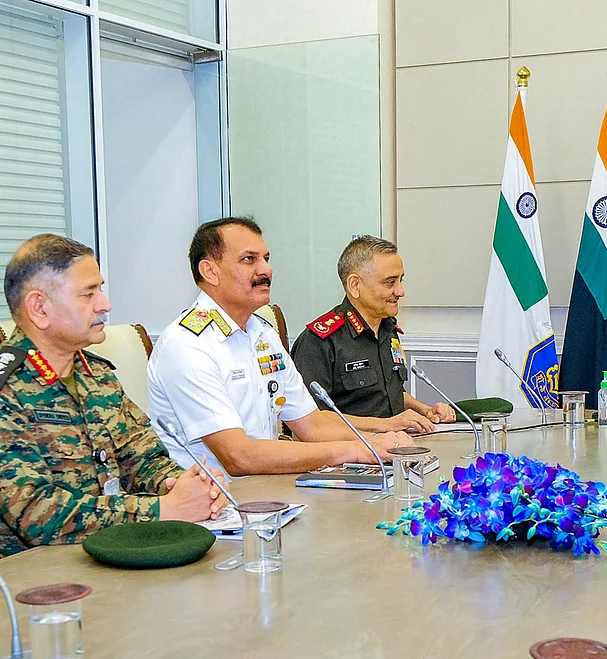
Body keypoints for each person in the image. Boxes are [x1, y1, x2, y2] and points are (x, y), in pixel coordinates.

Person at [0, 235, 227, 557]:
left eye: (100, 290)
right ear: (39, 307)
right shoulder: (7, 389)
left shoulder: (98, 377)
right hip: (32, 582)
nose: (105, 304)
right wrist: (160, 510)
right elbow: (36, 513)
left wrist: (183, 485)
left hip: (113, 555)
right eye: (88, 293)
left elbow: (144, 460)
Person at [147, 217, 412, 477]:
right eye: (249, 259)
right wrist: (354, 450)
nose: (266, 270)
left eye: (266, 258)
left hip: (266, 490)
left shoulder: (262, 334)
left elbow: (312, 425)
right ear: (210, 272)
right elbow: (238, 456)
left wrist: (381, 441)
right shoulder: (188, 345)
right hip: (211, 507)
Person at [290, 236, 454, 433]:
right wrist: (387, 425)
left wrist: (425, 411)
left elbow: (388, 394)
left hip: (394, 446)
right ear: (355, 285)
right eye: (389, 282)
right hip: (349, 456)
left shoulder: (388, 330)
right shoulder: (318, 341)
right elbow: (313, 419)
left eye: (400, 280)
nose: (400, 291)